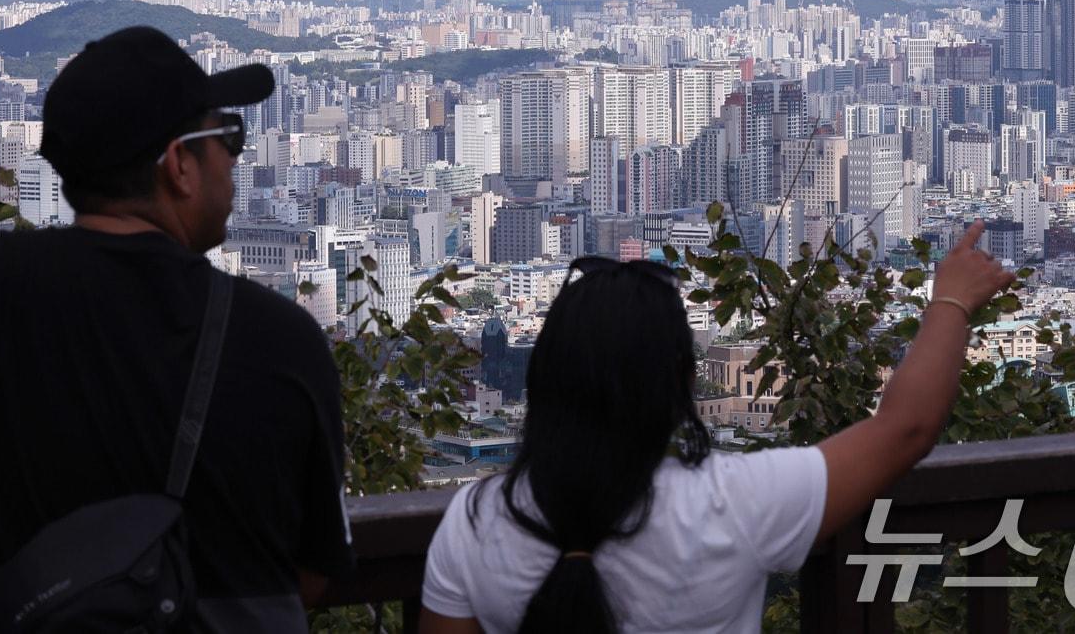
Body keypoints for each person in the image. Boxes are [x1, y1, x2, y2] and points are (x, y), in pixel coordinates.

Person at [0, 26, 352, 629]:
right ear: (179, 165)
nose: (237, 157)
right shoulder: (277, 337)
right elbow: (315, 573)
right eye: (229, 135)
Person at [419, 220, 1015, 633]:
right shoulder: (731, 502)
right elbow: (905, 429)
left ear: (544, 376)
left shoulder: (475, 523)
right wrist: (951, 301)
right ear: (677, 386)